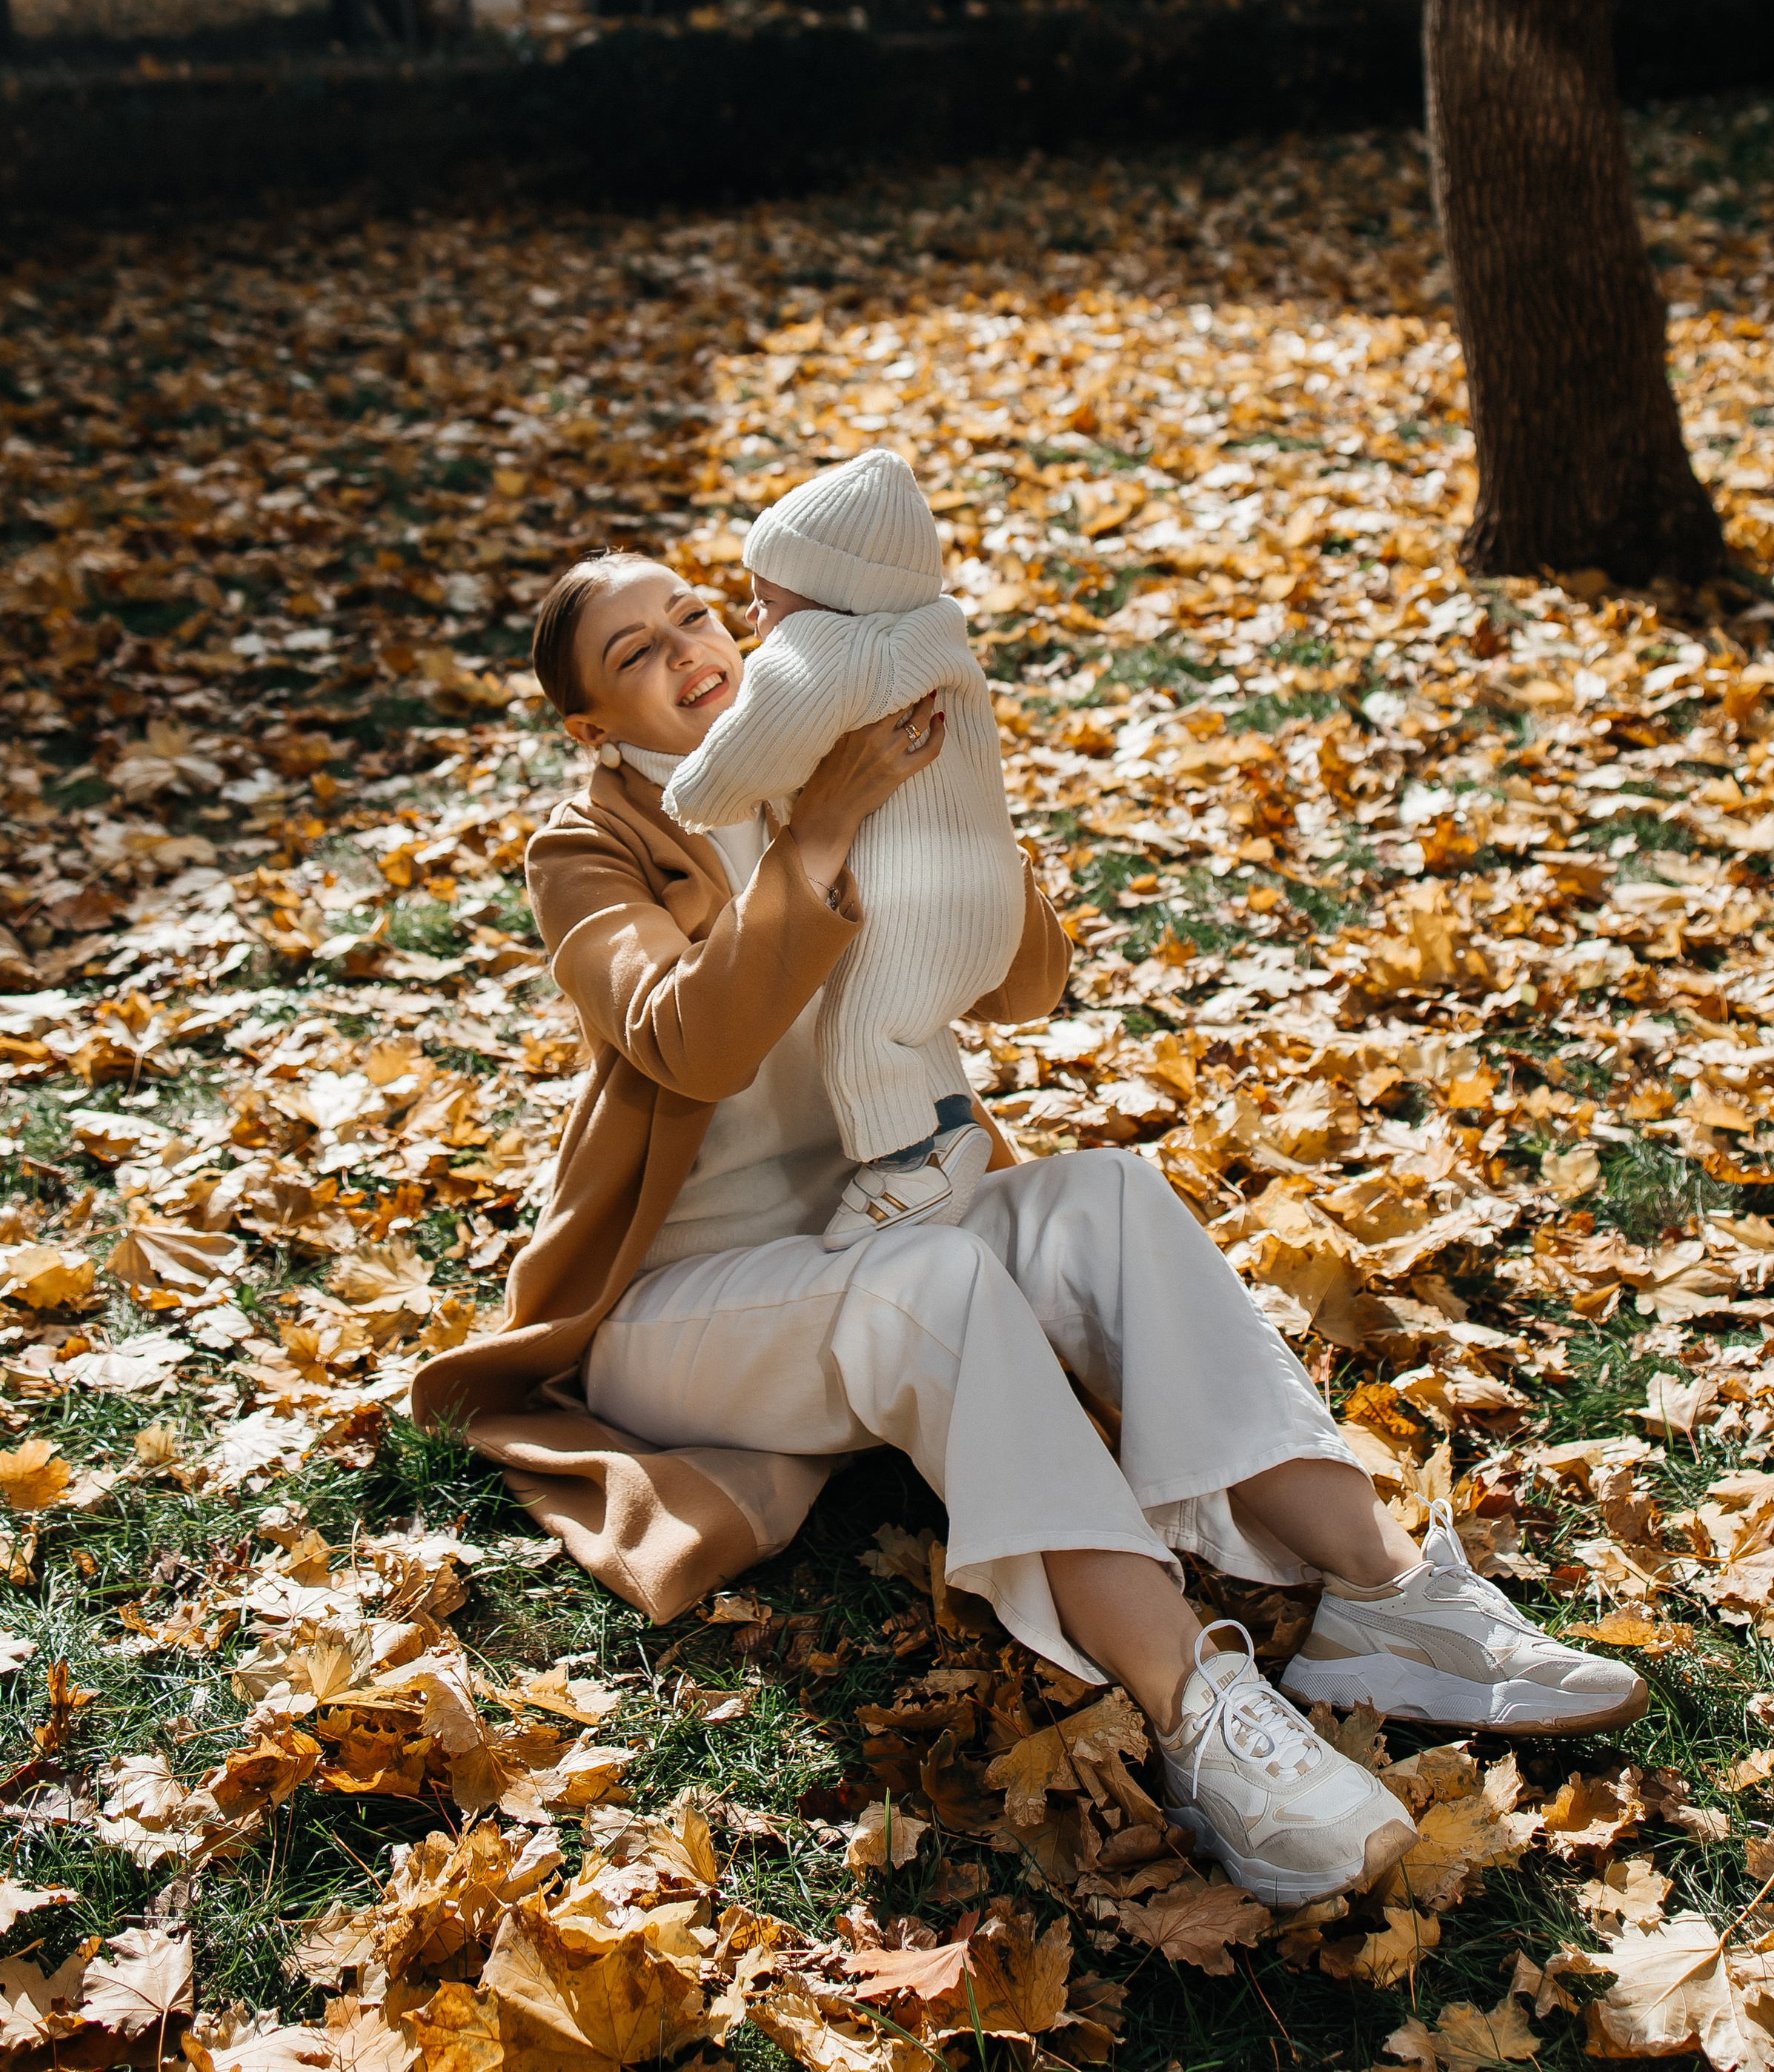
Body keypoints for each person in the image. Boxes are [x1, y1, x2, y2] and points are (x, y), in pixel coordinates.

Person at [411, 550, 1647, 1913]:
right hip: (689, 1305)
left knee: (1107, 1192)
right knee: (929, 1278)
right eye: (633, 653)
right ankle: (1199, 1710)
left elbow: (1024, 988)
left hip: (879, 1220)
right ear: (591, 726)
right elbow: (684, 1045)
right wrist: (815, 835)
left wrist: (948, 803)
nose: (684, 646)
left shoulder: (830, 747)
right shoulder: (589, 851)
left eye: (691, 614)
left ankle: (1382, 1596)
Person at [661, 448, 1026, 1251]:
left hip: (919, 898)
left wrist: (696, 795)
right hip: (988, 894)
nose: (754, 622)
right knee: (906, 1024)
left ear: (830, 598)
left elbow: (762, 741)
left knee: (862, 1026)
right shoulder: (935, 634)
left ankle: (903, 1167)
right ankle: (947, 1128)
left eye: (762, 602)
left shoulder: (825, 648)